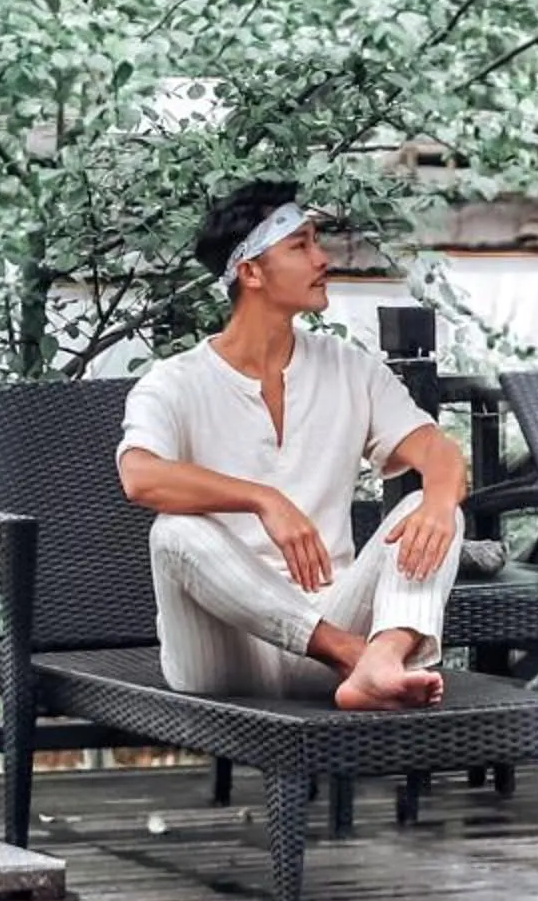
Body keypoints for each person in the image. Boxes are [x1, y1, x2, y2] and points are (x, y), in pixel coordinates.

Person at [116, 183, 469, 711]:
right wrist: (263, 499)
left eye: (315, 242)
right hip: (222, 652)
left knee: (435, 508)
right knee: (173, 531)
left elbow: (436, 451)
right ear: (251, 272)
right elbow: (140, 478)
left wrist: (441, 502)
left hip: (329, 617)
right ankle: (358, 656)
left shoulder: (348, 367)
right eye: (300, 246)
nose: (321, 258)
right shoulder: (174, 382)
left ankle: (382, 659)